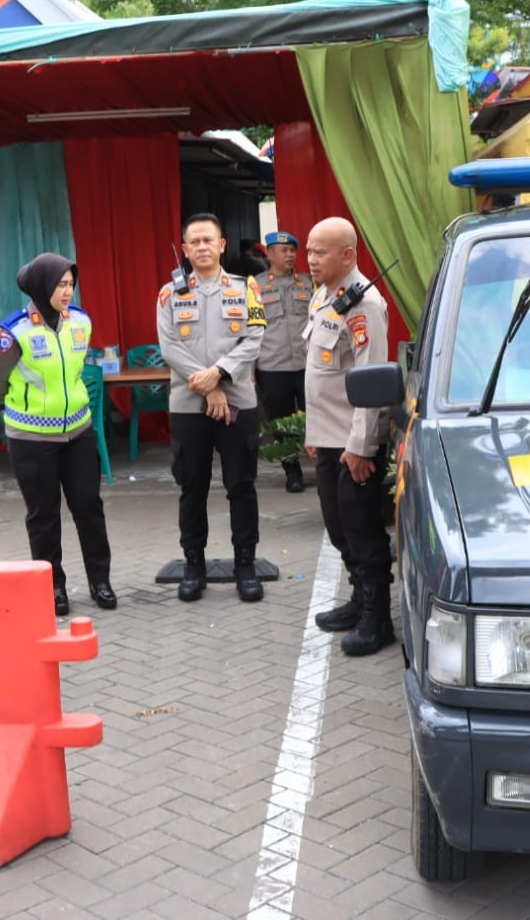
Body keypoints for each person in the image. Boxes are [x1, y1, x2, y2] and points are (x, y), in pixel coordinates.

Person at [0, 253, 114, 615]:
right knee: (43, 516)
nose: (67, 291)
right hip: (31, 440)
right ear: (42, 286)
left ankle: (100, 581)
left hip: (78, 432)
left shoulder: (81, 322)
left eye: (71, 284)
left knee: (89, 507)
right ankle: (53, 587)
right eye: (60, 284)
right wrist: (29, 406)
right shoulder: (14, 332)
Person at [156, 212, 267, 603]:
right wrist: (209, 389)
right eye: (194, 242)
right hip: (189, 404)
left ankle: (246, 565)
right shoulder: (169, 294)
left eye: (209, 240)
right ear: (185, 250)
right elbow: (170, 347)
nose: (202, 247)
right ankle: (193, 566)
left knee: (241, 485)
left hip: (238, 400)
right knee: (192, 487)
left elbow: (254, 339)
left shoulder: (246, 288)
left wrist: (219, 375)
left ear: (221, 245)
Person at [303, 217, 396, 657]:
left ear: (348, 255)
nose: (311, 259)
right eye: (309, 251)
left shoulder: (365, 306)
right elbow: (322, 372)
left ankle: (377, 620)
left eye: (320, 252)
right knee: (340, 528)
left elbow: (371, 381)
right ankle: (359, 601)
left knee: (362, 530)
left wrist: (361, 447)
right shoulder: (326, 297)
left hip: (353, 444)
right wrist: (314, 432)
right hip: (329, 437)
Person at [253, 230, 313, 493]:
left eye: (292, 250)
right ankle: (293, 472)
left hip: (307, 364)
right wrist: (250, 369)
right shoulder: (254, 286)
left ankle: (323, 468)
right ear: (269, 254)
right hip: (272, 366)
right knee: (281, 423)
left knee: (317, 418)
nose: (290, 255)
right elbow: (250, 329)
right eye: (283, 250)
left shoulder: (308, 283)